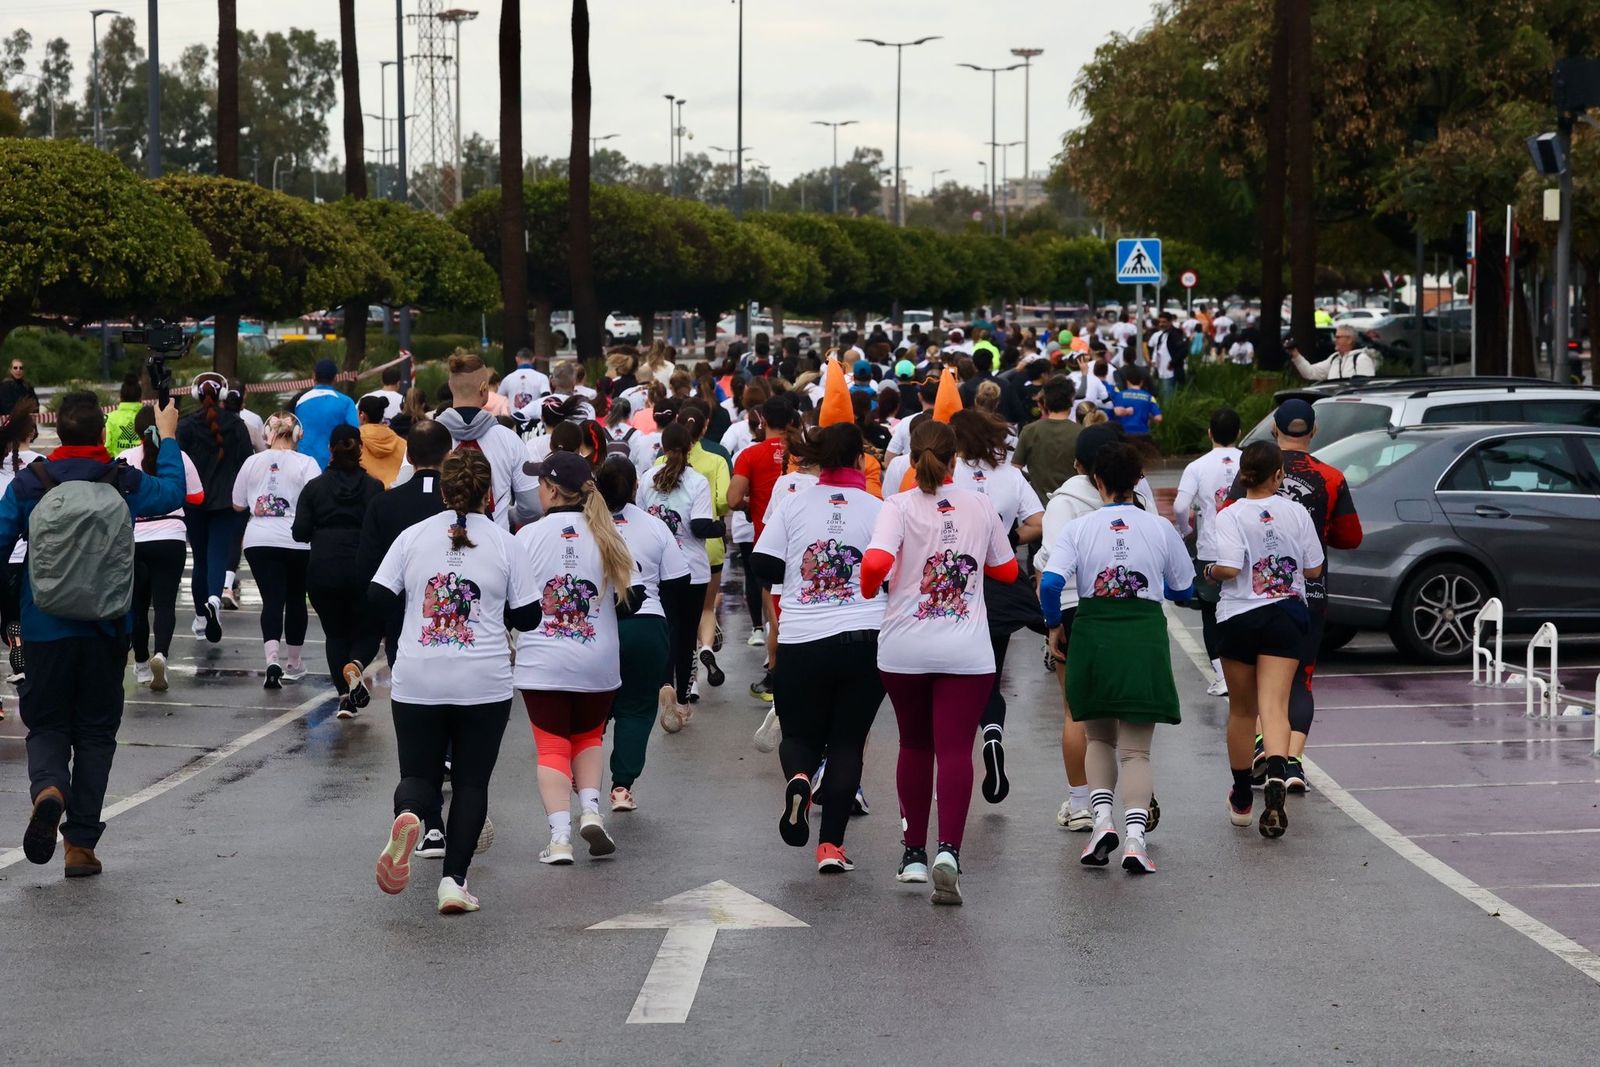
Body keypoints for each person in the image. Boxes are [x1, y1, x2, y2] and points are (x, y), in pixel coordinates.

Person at [4, 392, 184, 878]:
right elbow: (172, 495)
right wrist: (166, 437)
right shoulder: (120, 479)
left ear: (57, 432)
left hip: (42, 628)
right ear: (102, 436)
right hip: (107, 628)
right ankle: (80, 844)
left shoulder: (31, 482)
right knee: (97, 735)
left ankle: (48, 790)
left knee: (46, 725)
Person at [369, 448, 534, 915]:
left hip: (418, 674)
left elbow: (376, 594)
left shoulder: (413, 536)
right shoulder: (505, 542)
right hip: (483, 679)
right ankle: (453, 883)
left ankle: (410, 815)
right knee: (470, 783)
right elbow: (529, 615)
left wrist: (411, 622)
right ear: (490, 493)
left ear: (443, 490)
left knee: (418, 774)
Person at [861, 419, 1017, 905]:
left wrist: (872, 589)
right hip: (966, 651)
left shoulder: (897, 506)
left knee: (914, 744)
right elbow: (1008, 570)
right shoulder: (980, 503)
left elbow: (873, 566)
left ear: (911, 461)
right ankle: (948, 851)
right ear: (955, 461)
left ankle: (912, 854)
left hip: (904, 648)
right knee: (954, 750)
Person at [1039, 441, 1195, 873]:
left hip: (1093, 631)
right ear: (1138, 480)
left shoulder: (1080, 528)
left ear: (1098, 481)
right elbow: (1184, 588)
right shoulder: (1158, 527)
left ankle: (1101, 821)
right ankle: (1135, 839)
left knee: (1098, 738)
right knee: (1136, 753)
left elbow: (1051, 584)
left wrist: (1055, 625)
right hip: (1142, 633)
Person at [754, 424, 885, 873]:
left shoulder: (792, 504)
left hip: (801, 637)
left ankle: (799, 779)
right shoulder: (877, 508)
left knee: (798, 737)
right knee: (847, 743)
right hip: (863, 639)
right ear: (859, 460)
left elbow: (763, 565)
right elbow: (891, 574)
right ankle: (831, 846)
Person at [1227, 398, 1362, 790]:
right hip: (1309, 590)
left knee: (1258, 684)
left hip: (1251, 592)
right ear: (1315, 431)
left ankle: (1261, 745)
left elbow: (1230, 522)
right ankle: (1292, 761)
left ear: (1274, 430)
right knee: (1299, 679)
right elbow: (1351, 535)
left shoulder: (1249, 472)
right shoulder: (1331, 477)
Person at [515, 451, 642, 865]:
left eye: (540, 482)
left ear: (551, 489)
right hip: (599, 661)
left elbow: (512, 605)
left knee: (552, 749)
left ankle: (560, 839)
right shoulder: (607, 533)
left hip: (544, 661)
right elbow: (634, 601)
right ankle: (591, 810)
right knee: (589, 738)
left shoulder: (528, 536)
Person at [1037, 424, 1156, 831]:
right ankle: (1137, 795)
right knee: (1130, 711)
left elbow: (1050, 566)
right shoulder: (1141, 494)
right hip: (1135, 608)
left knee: (1078, 711)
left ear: (1078, 464)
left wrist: (1051, 622)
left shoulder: (1063, 501)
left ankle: (1081, 803)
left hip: (1074, 607)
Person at [1208, 441, 1326, 839]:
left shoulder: (1230, 514)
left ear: (1244, 474)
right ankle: (1277, 775)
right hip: (1286, 615)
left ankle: (1242, 796)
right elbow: (1313, 570)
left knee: (1242, 711)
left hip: (1241, 614)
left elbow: (1228, 567)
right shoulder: (1296, 512)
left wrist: (1208, 572)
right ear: (1279, 475)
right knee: (1275, 705)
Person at [949, 410, 1044, 805]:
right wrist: (1009, 536)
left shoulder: (948, 470)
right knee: (991, 673)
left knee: (952, 679)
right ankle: (992, 734)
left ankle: (954, 766)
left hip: (954, 585)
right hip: (1000, 584)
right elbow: (1039, 520)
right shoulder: (1009, 475)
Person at [596, 456, 689, 811]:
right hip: (646, 625)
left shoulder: (587, 525)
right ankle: (622, 788)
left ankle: (583, 782)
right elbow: (678, 582)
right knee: (637, 708)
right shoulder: (654, 527)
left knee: (591, 708)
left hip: (598, 626)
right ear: (636, 487)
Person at [293, 424, 384, 717]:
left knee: (335, 634)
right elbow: (380, 530)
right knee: (370, 627)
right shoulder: (374, 487)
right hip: (362, 565)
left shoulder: (314, 488)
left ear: (330, 450)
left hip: (323, 567)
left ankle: (345, 697)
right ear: (360, 448)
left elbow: (299, 532)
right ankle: (356, 665)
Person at [636, 422, 716, 727]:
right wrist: (719, 527)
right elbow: (698, 526)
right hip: (692, 570)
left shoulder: (647, 480)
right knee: (686, 638)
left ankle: (664, 686)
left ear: (662, 447)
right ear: (691, 446)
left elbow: (641, 524)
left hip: (656, 569)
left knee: (665, 633)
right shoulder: (697, 482)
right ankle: (682, 704)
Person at [232, 412, 321, 688]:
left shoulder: (251, 462)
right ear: (298, 434)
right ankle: (293, 663)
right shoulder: (307, 463)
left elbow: (237, 504)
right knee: (296, 599)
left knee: (271, 600)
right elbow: (317, 501)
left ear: (267, 435)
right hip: (297, 540)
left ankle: (271, 658)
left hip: (259, 538)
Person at [118, 406, 203, 692]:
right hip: (171, 536)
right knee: (165, 602)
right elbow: (197, 495)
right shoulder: (177, 455)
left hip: (135, 537)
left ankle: (140, 662)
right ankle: (161, 654)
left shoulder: (125, 458)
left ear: (137, 431)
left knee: (137, 605)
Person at [729, 396, 799, 700]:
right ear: (793, 423)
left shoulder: (749, 455)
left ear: (763, 421)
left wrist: (750, 505)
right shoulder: (802, 454)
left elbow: (732, 500)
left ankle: (775, 674)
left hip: (768, 544)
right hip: (805, 542)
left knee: (776, 612)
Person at [178, 371, 253, 645]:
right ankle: (214, 598)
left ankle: (201, 617)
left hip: (194, 501)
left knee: (199, 558)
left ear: (195, 394)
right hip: (226, 500)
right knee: (218, 554)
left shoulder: (185, 426)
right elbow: (247, 463)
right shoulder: (236, 424)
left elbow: (178, 463)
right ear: (224, 394)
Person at [1174, 407, 1243, 696]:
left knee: (1211, 612)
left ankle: (1221, 674)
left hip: (1210, 548)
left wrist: (1185, 531)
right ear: (1239, 433)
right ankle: (1243, 672)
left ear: (1209, 433)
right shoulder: (1249, 460)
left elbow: (1180, 507)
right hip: (1245, 547)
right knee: (1242, 609)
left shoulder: (1197, 467)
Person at [435, 352, 540, 529]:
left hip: (439, 543)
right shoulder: (508, 438)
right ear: (484, 389)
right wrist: (508, 516)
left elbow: (406, 489)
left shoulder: (427, 436)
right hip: (496, 544)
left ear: (451, 388)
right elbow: (532, 506)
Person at [1012, 377, 1082, 504]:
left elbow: (1015, 469)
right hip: (1073, 504)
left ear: (1045, 401)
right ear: (1071, 400)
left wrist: (1032, 480)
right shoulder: (1081, 433)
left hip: (1038, 505)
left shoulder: (1030, 430)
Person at [292, 359, 359, 469]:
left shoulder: (300, 401)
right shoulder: (346, 402)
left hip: (304, 465)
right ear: (335, 378)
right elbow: (355, 433)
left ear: (314, 376)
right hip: (335, 466)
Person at [1290, 324, 1377, 381]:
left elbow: (1366, 389)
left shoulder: (1362, 359)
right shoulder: (1334, 359)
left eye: (1338, 337)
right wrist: (1295, 354)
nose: (1334, 340)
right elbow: (1311, 373)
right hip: (1334, 405)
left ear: (1349, 340)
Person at [357, 394, 407, 488]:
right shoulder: (402, 443)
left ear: (362, 415)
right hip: (397, 493)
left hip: (367, 495)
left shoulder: (354, 443)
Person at [1110, 365, 1162, 435]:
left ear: (1127, 381)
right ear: (1141, 382)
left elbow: (1114, 413)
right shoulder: (1149, 397)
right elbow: (1158, 418)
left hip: (1123, 433)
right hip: (1143, 434)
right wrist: (1149, 416)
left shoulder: (1119, 395)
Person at [500, 348, 552, 417]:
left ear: (517, 359)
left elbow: (499, 399)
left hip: (514, 421)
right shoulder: (542, 377)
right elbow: (546, 398)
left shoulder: (507, 379)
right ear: (533, 359)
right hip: (534, 421)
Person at [103, 377, 145, 455]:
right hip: (143, 466)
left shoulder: (109, 419)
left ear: (121, 397)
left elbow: (106, 447)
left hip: (116, 465)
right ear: (140, 397)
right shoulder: (148, 417)